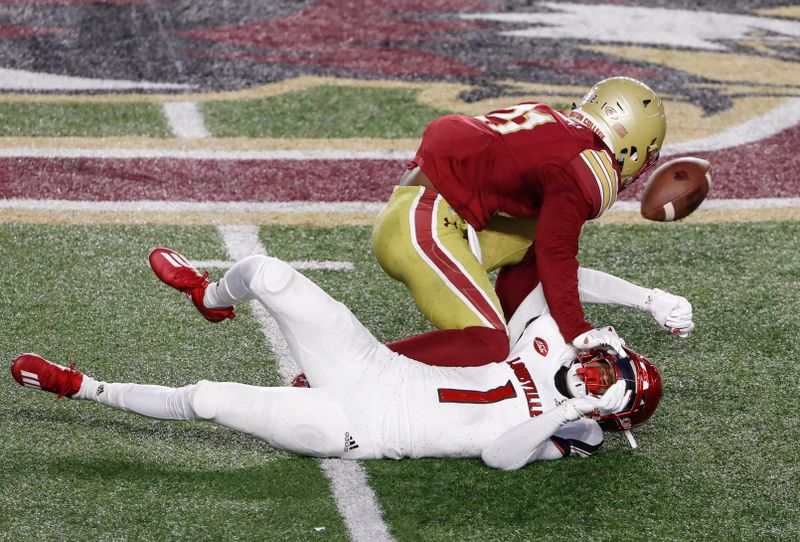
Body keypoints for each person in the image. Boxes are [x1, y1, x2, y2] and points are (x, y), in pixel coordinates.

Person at [11, 247, 675, 470]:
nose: (599, 369)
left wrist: (575, 409)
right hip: (371, 367)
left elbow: (500, 455)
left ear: (613, 414)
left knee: (210, 398)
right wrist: (648, 297)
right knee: (268, 274)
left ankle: (83, 387)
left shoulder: (572, 431)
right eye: (613, 362)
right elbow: (565, 273)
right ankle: (207, 292)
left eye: (612, 383)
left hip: (362, 430)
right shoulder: (554, 339)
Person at [371, 76, 669, 366]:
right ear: (632, 143)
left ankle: (513, 343)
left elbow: (544, 252)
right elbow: (558, 254)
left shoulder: (548, 118)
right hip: (423, 225)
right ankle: (369, 366)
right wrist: (576, 330)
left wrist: (646, 298)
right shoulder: (588, 163)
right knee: (487, 343)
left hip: (417, 212)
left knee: (532, 242)